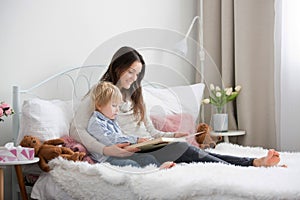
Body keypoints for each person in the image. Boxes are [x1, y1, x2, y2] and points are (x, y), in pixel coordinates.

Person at [75, 46, 283, 168]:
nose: (134, 78)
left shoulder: (137, 95)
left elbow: (151, 131)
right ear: (117, 67)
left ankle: (252, 162)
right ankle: (250, 164)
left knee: (185, 147)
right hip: (129, 150)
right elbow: (76, 128)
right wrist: (104, 149)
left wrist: (172, 135)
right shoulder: (101, 93)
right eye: (130, 72)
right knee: (186, 150)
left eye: (137, 74)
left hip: (148, 144)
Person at [87, 81, 175, 169]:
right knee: (130, 164)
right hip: (106, 158)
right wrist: (135, 140)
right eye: (114, 106)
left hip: (119, 153)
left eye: (118, 106)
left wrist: (131, 146)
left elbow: (120, 136)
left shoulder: (112, 121)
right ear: (99, 105)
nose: (117, 110)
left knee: (147, 158)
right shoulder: (96, 122)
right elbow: (111, 138)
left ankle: (159, 170)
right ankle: (149, 175)